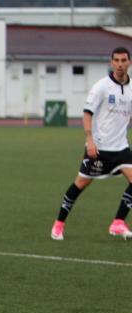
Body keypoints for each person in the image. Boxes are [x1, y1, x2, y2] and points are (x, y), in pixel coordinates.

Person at [51, 47, 132, 241]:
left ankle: (118, 223)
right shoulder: (101, 87)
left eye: (124, 60)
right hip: (99, 149)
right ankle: (58, 224)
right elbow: (87, 114)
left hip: (121, 148)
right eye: (116, 61)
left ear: (129, 62)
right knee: (81, 183)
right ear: (111, 63)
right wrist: (89, 140)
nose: (120, 64)